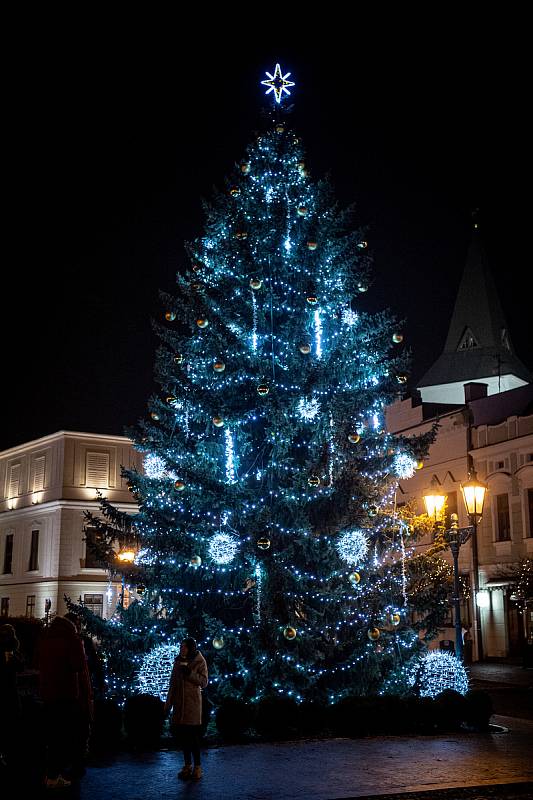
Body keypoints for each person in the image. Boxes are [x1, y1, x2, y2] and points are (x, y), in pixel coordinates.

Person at [38, 615, 93, 789]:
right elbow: (78, 665)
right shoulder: (72, 640)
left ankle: (49, 774)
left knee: (51, 735)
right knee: (63, 737)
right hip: (67, 693)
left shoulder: (45, 640)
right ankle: (56, 776)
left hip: (48, 694)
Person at [164, 637, 208, 781]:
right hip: (179, 705)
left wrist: (189, 673)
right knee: (184, 738)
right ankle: (187, 765)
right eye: (181, 646)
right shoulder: (177, 661)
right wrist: (168, 706)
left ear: (191, 648)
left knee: (193, 737)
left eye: (184, 647)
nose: (182, 649)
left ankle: (198, 767)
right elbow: (173, 684)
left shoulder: (199, 661)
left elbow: (204, 682)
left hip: (192, 705)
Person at [0, 624, 23, 769]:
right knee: (10, 722)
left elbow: (20, 666)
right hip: (9, 691)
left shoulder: (13, 651)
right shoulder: (13, 650)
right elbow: (20, 666)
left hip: (8, 690)